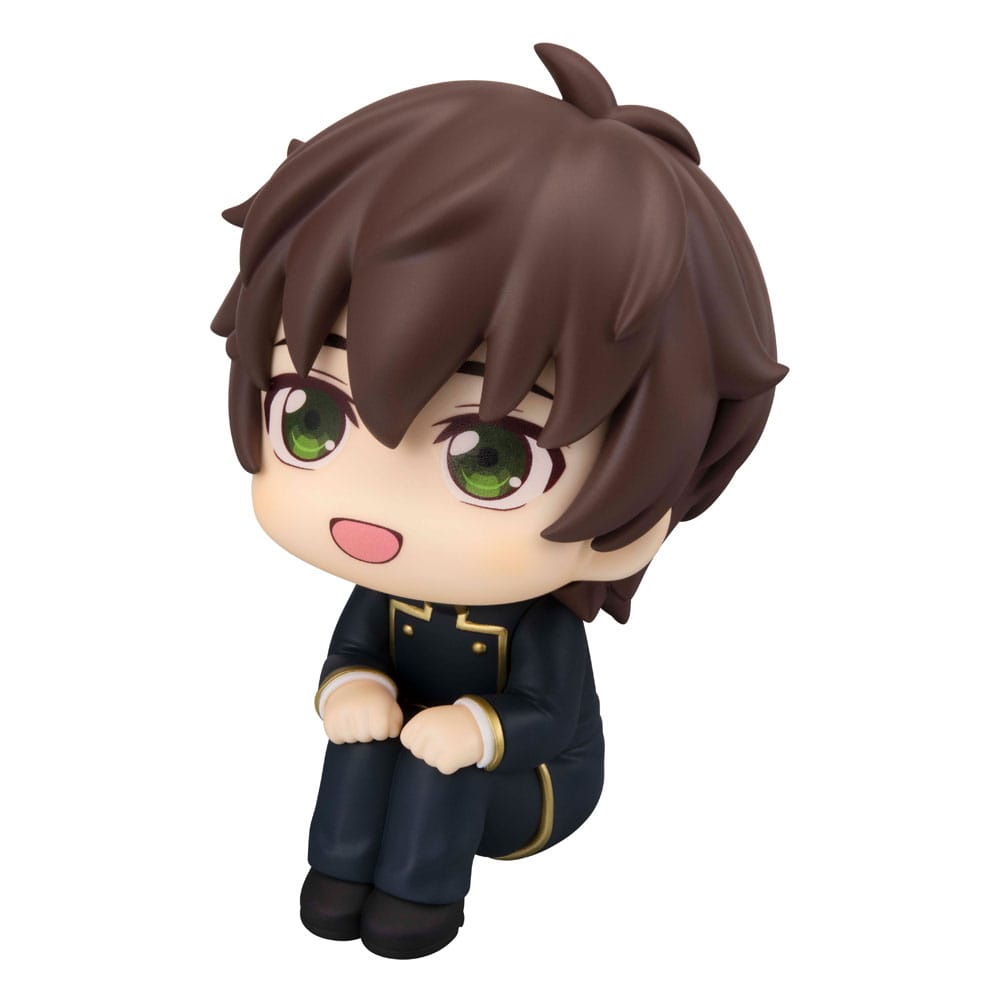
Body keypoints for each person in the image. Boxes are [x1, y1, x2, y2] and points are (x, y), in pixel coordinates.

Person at [212, 42, 786, 959]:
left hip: (528, 790)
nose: (374, 507)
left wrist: (476, 729)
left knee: (434, 764)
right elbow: (353, 655)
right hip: (416, 761)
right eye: (311, 419)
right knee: (361, 740)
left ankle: (418, 902)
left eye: (490, 460)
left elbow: (552, 718)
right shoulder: (382, 598)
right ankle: (338, 876)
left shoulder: (537, 623)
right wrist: (353, 690)